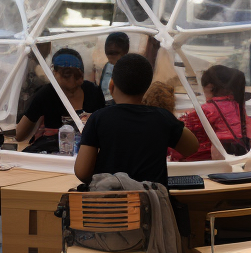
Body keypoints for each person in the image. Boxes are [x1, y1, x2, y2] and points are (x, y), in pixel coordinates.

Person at [75, 54, 198, 185]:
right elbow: (192, 147)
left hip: (111, 202)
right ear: (147, 88)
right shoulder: (162, 118)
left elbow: (82, 172)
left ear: (111, 85)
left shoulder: (98, 118)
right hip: (152, 202)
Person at [16, 48, 105, 151]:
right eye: (66, 74)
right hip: (53, 154)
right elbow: (19, 135)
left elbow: (104, 130)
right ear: (54, 73)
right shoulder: (46, 94)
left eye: (76, 74)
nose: (72, 78)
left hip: (86, 152)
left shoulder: (93, 92)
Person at [171, 64, 251, 162]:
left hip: (213, 160)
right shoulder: (238, 106)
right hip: (242, 154)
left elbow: (183, 131)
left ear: (210, 86)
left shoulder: (208, 109)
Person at [99, 32, 130, 103]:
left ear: (125, 51)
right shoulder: (107, 66)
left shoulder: (129, 68)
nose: (110, 57)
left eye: (114, 53)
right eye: (108, 53)